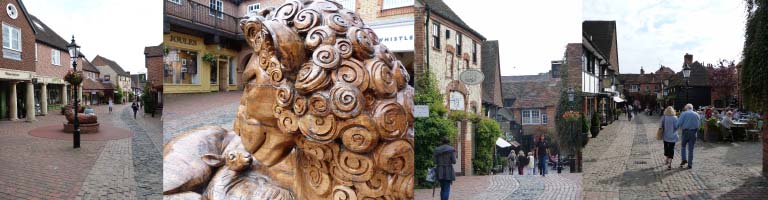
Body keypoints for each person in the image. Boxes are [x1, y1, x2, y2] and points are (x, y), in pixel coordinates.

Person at [675, 104, 701, 169]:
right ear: (692, 108)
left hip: (685, 132)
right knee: (691, 149)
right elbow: (699, 125)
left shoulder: (684, 114)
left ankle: (684, 159)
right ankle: (690, 164)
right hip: (694, 132)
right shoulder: (697, 114)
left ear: (686, 108)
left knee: (683, 146)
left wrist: (675, 129)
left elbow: (678, 123)